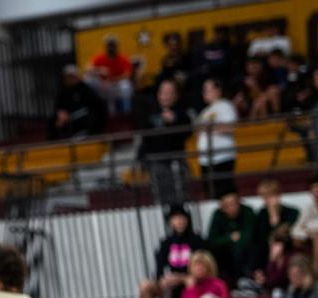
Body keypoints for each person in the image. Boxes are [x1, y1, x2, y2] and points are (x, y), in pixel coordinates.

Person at [139, 207, 206, 298]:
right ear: (170, 222)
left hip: (188, 278)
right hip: (170, 281)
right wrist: (161, 279)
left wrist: (180, 277)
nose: (179, 221)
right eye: (175, 218)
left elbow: (202, 266)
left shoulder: (197, 240)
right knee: (145, 286)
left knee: (191, 282)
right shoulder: (166, 243)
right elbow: (160, 265)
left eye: (182, 218)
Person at [138, 80, 192, 208]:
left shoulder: (183, 112)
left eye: (170, 92)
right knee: (160, 197)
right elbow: (145, 138)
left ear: (176, 95)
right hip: (156, 162)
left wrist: (174, 121)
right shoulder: (150, 112)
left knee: (180, 196)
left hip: (176, 160)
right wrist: (141, 158)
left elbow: (188, 133)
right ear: (158, 94)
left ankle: (182, 221)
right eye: (163, 92)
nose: (166, 96)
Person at [196, 78, 238, 199]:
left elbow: (230, 127)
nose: (206, 93)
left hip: (222, 157)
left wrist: (209, 128)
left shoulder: (225, 105)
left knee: (225, 191)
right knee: (210, 193)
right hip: (206, 159)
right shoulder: (205, 111)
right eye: (204, 90)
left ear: (218, 90)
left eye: (209, 89)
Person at [251, 180, 299, 280]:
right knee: (256, 246)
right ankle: (259, 275)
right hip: (265, 249)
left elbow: (280, 235)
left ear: (278, 196)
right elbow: (261, 236)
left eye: (270, 196)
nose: (267, 200)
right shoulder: (261, 214)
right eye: (264, 197)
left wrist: (274, 215)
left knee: (277, 245)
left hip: (286, 246)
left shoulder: (292, 212)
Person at [207, 191, 257, 285]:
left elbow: (249, 235)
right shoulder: (217, 215)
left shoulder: (247, 211)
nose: (231, 208)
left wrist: (233, 240)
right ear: (222, 207)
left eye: (234, 204)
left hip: (245, 253)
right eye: (227, 205)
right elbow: (212, 240)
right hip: (225, 257)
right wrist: (230, 238)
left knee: (248, 248)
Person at [50, 64, 107, 139]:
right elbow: (58, 107)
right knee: (54, 122)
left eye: (72, 76)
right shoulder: (62, 91)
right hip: (69, 120)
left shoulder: (84, 88)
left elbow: (96, 104)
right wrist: (60, 113)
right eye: (68, 77)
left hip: (85, 118)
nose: (70, 79)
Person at [86, 34, 134, 115]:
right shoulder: (100, 58)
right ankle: (95, 110)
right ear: (106, 46)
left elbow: (127, 75)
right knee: (88, 79)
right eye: (109, 45)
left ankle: (127, 113)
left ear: (116, 46)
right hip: (103, 87)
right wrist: (99, 70)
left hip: (116, 85)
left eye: (113, 45)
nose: (111, 47)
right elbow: (87, 69)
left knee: (125, 85)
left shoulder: (123, 59)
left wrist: (112, 80)